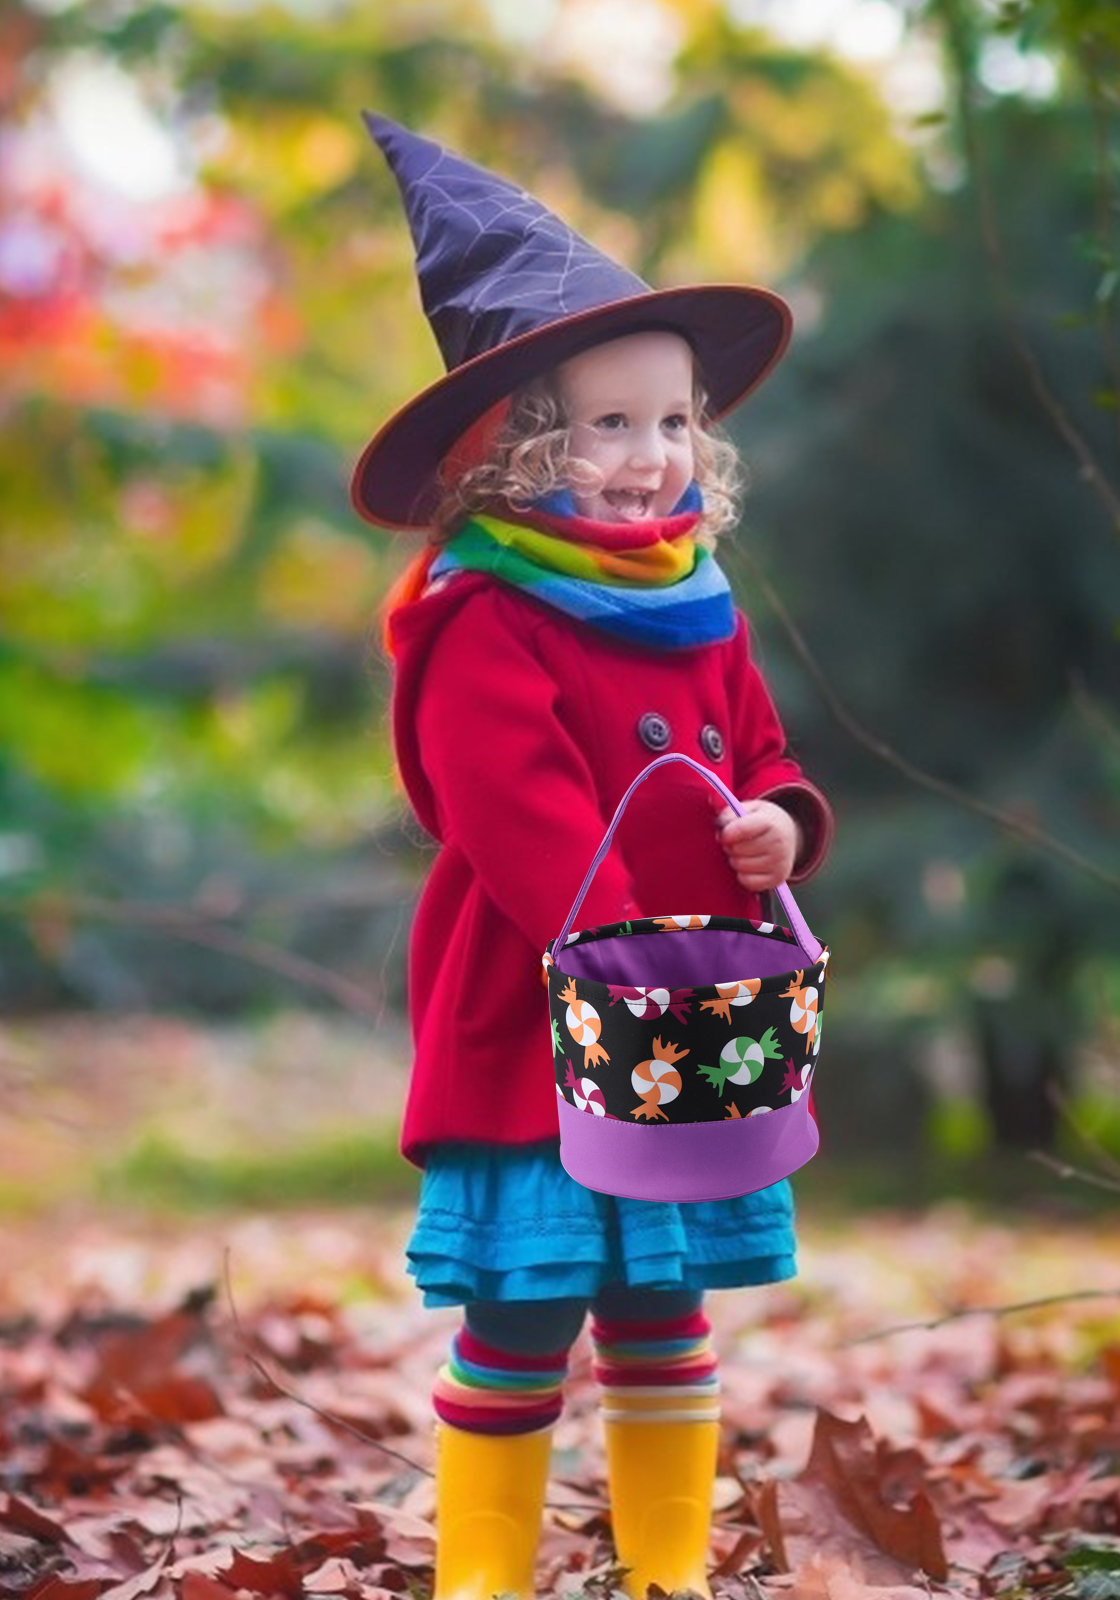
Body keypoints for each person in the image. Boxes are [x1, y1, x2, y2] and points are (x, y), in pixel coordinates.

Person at [350, 113, 833, 1600]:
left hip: (690, 1007)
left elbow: (759, 751)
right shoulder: (486, 613)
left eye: (673, 422)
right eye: (608, 426)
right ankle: (481, 1581)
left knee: (664, 1308)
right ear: (517, 448)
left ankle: (666, 1573)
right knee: (524, 1310)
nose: (649, 457)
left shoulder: (695, 596)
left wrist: (780, 823)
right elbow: (521, 813)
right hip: (546, 1013)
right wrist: (625, 955)